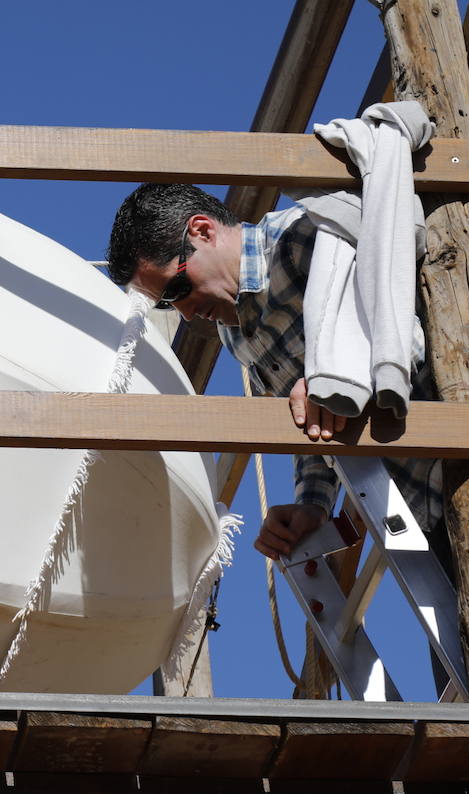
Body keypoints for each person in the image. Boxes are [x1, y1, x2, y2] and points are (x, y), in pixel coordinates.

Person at [105, 182, 444, 563]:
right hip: (429, 513)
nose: (184, 312)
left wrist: (336, 375)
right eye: (167, 306)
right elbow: (315, 420)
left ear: (203, 231)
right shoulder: (234, 334)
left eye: (177, 289)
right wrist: (313, 503)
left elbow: (407, 323)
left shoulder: (305, 236)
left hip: (460, 440)